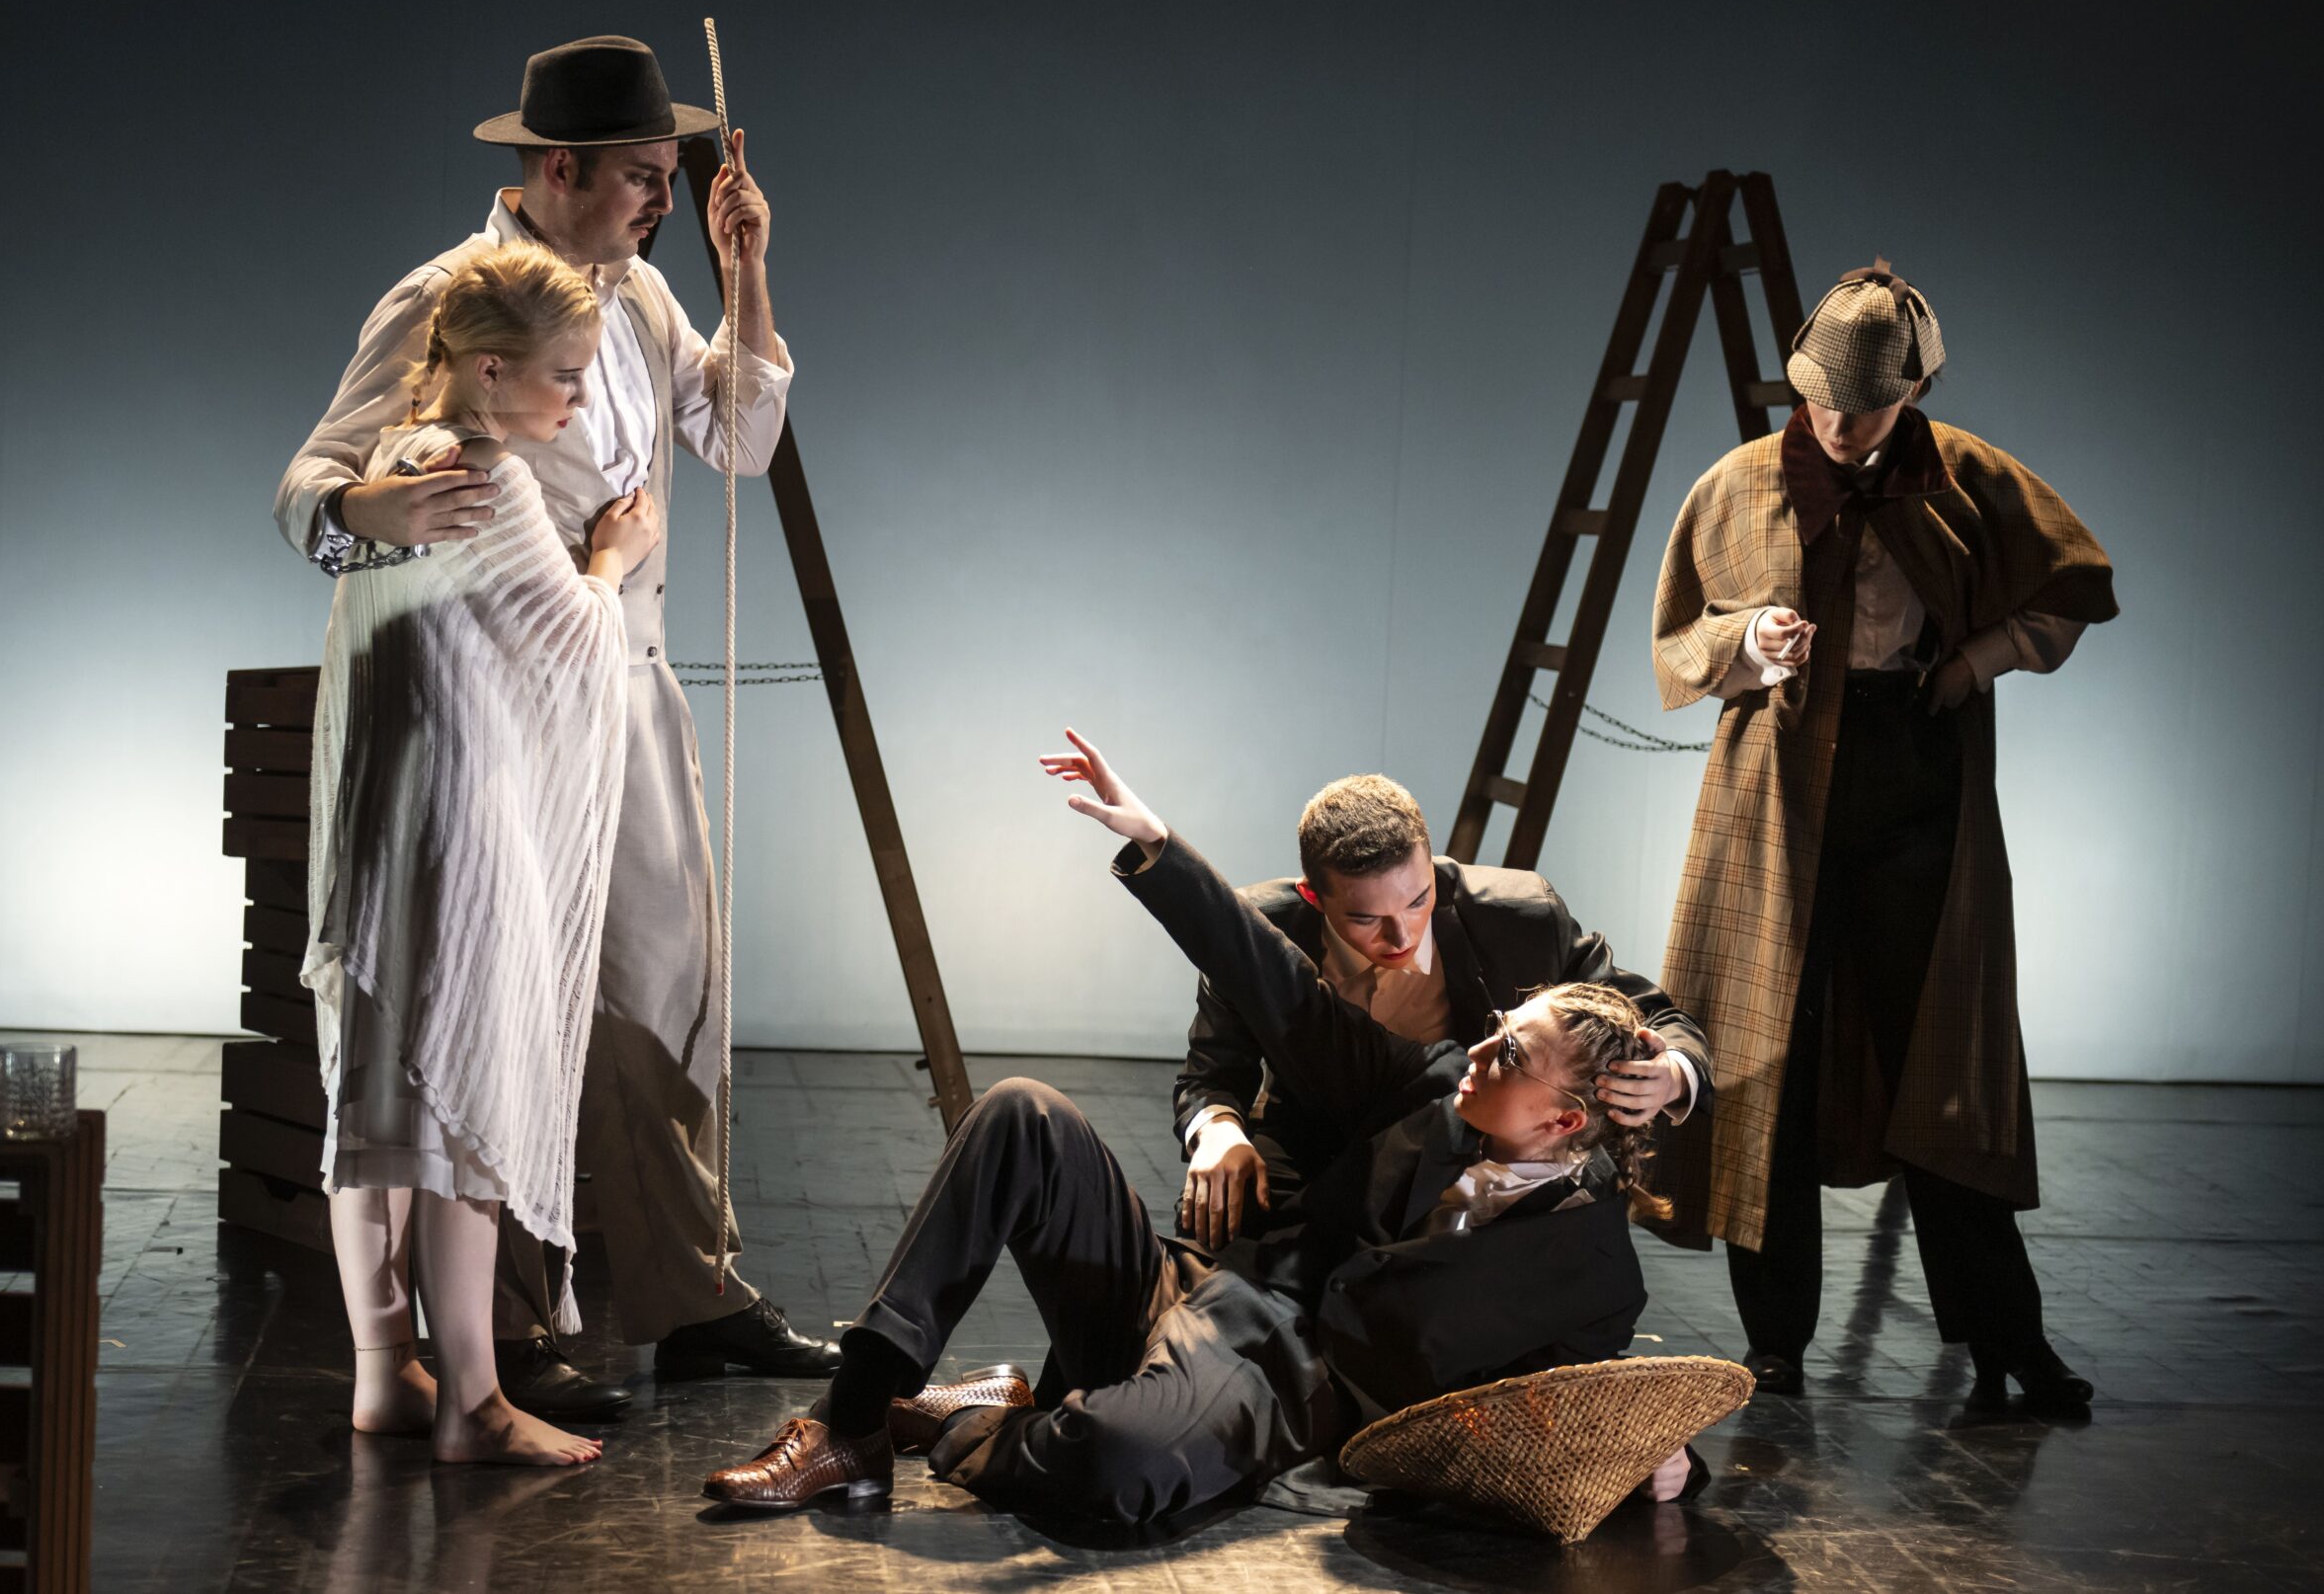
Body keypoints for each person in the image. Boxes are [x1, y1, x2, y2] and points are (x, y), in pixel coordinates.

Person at [699, 732, 1703, 1522]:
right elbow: (1270, 994)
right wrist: (1154, 844)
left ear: (1567, 1115)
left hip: (1271, 1373)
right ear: (1317, 899)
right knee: (1020, 1112)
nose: (1479, 1044)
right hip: (1212, 1273)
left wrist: (1661, 1462)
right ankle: (852, 1422)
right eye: (1369, 918)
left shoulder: (1586, 1255)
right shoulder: (1427, 1083)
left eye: (1509, 1051)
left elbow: (1582, 1390)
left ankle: (986, 1419)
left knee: (1117, 1466)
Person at [275, 36, 837, 1412]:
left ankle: (690, 1293)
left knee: (662, 993)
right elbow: (309, 484)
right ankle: (507, 1332)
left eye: (671, 174)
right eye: (644, 175)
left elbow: (740, 437)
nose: (662, 198)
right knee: (509, 996)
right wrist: (367, 508)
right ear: (559, 168)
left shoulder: (644, 294)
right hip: (509, 707)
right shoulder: (452, 295)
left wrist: (745, 270)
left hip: (626, 686)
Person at [1650, 260, 2119, 1412]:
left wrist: (1973, 662)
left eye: (1863, 406)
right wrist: (1750, 644)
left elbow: (2073, 586)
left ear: (1912, 392)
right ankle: (1774, 1344)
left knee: (1942, 1069)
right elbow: (1679, 641)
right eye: (1818, 398)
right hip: (1777, 799)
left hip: (1916, 778)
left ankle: (2006, 1338)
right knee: (1769, 1060)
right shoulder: (1739, 484)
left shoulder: (1966, 476)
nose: (1837, 423)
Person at [303, 242, 651, 1465]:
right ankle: (474, 1403)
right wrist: (610, 562)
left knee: (380, 1103)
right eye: (565, 375)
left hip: (385, 821)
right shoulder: (487, 480)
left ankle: (381, 1375)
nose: (577, 402)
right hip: (465, 827)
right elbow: (570, 643)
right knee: (469, 1110)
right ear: (492, 371)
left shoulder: (397, 465)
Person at [1172, 772, 1710, 1250]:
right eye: (1366, 919)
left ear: (1431, 867)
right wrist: (1219, 1130)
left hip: (1472, 1140)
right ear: (1313, 897)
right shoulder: (1261, 928)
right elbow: (1211, 1073)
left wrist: (1670, 1074)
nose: (1401, 936)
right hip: (1316, 1137)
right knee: (1229, 1232)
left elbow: (1658, 1017)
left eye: (1417, 900)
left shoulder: (1520, 915)